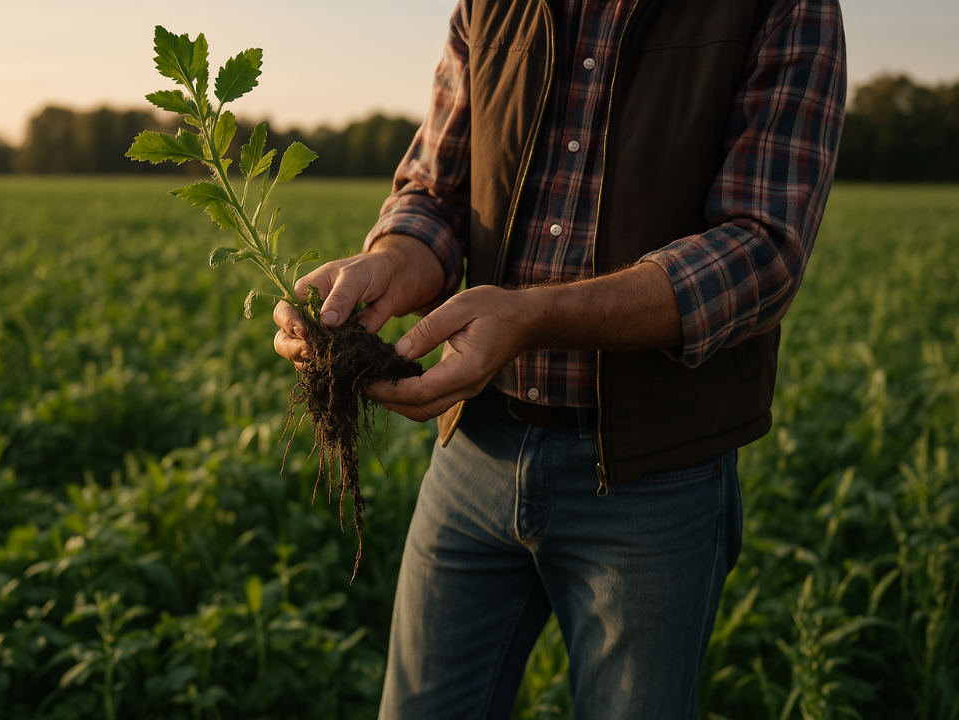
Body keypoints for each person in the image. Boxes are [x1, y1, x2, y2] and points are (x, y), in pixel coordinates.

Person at [275, 0, 846, 717]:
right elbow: (439, 194)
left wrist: (533, 316)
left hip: (651, 477)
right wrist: (392, 260)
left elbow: (761, 249)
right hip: (475, 449)